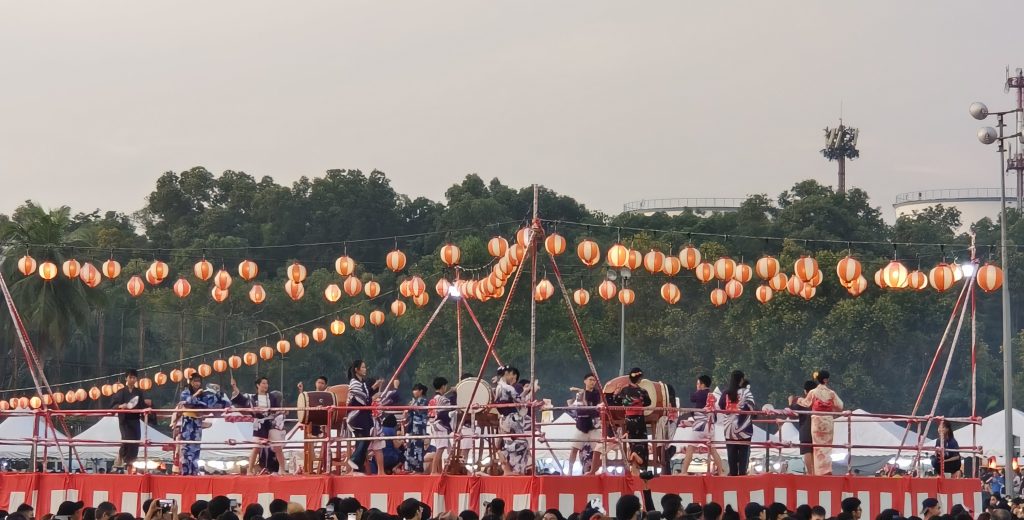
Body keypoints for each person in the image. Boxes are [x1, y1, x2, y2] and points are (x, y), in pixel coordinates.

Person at [178, 373, 232, 475]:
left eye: (199, 381)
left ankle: (194, 472)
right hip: (188, 422)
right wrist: (196, 395)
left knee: (196, 448)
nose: (197, 383)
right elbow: (187, 402)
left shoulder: (204, 394)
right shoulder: (185, 392)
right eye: (195, 381)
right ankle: (186, 473)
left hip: (198, 422)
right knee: (186, 448)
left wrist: (217, 393)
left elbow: (210, 404)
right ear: (191, 382)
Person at [231, 376, 287, 474]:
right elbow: (241, 399)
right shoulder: (252, 397)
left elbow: (277, 409)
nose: (266, 385)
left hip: (271, 424)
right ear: (258, 385)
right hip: (259, 424)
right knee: (256, 447)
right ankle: (250, 470)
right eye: (263, 383)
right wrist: (234, 387)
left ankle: (282, 469)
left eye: (267, 383)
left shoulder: (272, 397)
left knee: (277, 447)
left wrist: (282, 411)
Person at [797, 370, 844, 476]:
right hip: (828, 422)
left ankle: (818, 473)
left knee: (817, 448)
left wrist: (799, 400)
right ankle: (827, 470)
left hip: (817, 422)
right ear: (826, 380)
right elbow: (840, 406)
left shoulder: (813, 392)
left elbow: (806, 403)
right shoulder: (831, 393)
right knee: (827, 447)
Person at [494, 365, 535, 475]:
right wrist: (529, 393)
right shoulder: (509, 388)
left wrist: (525, 392)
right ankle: (517, 470)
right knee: (522, 444)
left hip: (504, 419)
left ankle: (508, 466)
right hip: (512, 419)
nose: (512, 377)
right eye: (511, 374)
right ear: (507, 374)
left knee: (511, 442)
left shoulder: (498, 387)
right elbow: (520, 402)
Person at [681, 375, 725, 475]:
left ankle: (683, 472)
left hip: (699, 427)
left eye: (698, 384)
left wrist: (698, 391)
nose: (696, 386)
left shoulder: (700, 393)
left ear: (702, 385)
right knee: (713, 451)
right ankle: (721, 472)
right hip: (710, 426)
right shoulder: (712, 396)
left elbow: (692, 398)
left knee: (690, 449)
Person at [110, 369, 152, 473]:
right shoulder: (120, 392)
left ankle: (130, 465)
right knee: (127, 439)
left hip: (135, 420)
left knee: (135, 442)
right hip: (124, 420)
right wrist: (121, 406)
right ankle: (123, 460)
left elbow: (142, 405)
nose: (132, 379)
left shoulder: (138, 392)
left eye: (134, 377)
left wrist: (147, 407)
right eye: (130, 377)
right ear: (126, 378)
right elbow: (113, 405)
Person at [347, 359, 382, 473]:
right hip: (356, 415)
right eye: (362, 367)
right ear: (356, 370)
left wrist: (374, 387)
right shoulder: (354, 383)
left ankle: (357, 469)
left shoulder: (362, 383)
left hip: (362, 415)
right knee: (366, 437)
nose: (365, 369)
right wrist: (373, 397)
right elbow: (363, 401)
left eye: (365, 367)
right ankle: (354, 460)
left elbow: (366, 395)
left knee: (362, 440)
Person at [718, 370, 754, 476]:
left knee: (731, 455)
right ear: (742, 379)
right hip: (744, 429)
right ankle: (742, 476)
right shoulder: (746, 392)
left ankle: (732, 475)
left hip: (729, 429)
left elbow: (721, 405)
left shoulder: (725, 393)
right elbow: (752, 408)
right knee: (744, 455)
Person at [615, 368, 652, 470]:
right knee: (641, 440)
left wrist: (616, 392)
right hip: (639, 418)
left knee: (632, 440)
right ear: (639, 379)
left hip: (629, 419)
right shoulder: (642, 391)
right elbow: (648, 402)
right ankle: (638, 457)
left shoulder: (624, 390)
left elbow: (617, 401)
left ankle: (634, 455)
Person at [568, 373, 603, 475]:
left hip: (594, 426)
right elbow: (579, 410)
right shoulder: (580, 394)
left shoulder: (597, 394)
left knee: (599, 450)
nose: (592, 382)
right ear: (585, 381)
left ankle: (596, 471)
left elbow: (596, 409)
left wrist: (590, 408)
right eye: (590, 380)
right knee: (574, 449)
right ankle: (570, 471)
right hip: (581, 426)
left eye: (594, 380)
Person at [787, 380, 818, 475]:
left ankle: (810, 474)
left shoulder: (803, 401)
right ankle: (816, 473)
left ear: (805, 391)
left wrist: (790, 402)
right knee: (816, 452)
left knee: (807, 451)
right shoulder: (818, 402)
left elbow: (792, 413)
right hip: (818, 430)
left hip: (805, 430)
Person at [428, 377, 453, 474]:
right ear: (443, 386)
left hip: (433, 425)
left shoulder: (432, 399)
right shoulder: (443, 399)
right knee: (440, 449)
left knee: (442, 448)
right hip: (441, 426)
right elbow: (451, 409)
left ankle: (440, 470)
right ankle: (434, 471)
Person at [404, 383, 429, 473]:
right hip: (412, 427)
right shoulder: (414, 401)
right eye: (413, 390)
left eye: (416, 390)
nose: (414, 392)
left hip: (419, 427)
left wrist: (411, 407)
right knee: (410, 447)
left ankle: (418, 468)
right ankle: (411, 467)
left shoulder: (424, 400)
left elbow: (420, 412)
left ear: (421, 391)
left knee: (418, 448)